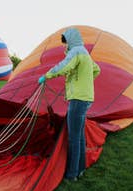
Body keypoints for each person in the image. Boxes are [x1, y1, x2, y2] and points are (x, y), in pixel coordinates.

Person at [38, 28, 101, 181]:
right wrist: (84, 82)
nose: (65, 46)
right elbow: (96, 70)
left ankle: (72, 174)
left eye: (66, 42)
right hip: (86, 98)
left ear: (72, 40)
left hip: (78, 99)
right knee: (79, 136)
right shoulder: (84, 52)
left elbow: (64, 66)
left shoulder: (77, 52)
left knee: (73, 137)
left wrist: (47, 76)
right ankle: (80, 168)